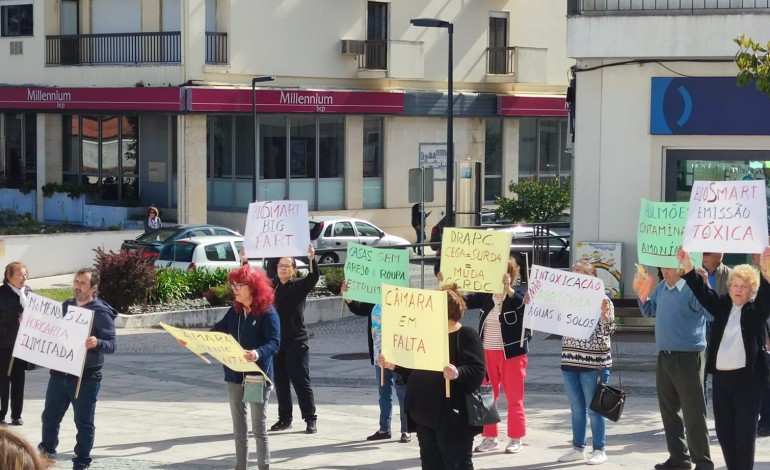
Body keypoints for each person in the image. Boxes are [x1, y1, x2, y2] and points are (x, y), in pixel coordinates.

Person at [678, 247, 770, 470]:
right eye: (735, 286)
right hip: (721, 380)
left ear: (751, 291)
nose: (738, 291)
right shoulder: (722, 305)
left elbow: (767, 296)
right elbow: (702, 292)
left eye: (744, 287)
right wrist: (688, 266)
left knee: (745, 433)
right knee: (724, 432)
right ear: (729, 288)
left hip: (748, 381)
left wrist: (766, 272)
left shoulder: (755, 311)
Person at [379, 284, 485, 469]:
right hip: (424, 410)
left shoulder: (466, 334)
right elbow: (416, 368)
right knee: (430, 462)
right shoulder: (428, 336)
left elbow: (477, 370)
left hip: (452, 414)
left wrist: (457, 372)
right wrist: (393, 364)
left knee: (456, 463)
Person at [439, 258, 529, 455]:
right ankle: (490, 437)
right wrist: (445, 284)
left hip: (512, 355)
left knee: (515, 398)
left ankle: (515, 438)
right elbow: (462, 301)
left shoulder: (516, 297)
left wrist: (509, 290)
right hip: (487, 354)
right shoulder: (486, 297)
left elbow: (524, 309)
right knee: (486, 396)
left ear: (510, 276)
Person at [636, 264, 714, 470]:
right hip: (664, 356)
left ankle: (703, 462)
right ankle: (679, 458)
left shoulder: (693, 288)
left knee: (693, 412)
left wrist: (705, 287)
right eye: (662, 269)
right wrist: (641, 291)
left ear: (682, 269)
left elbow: (712, 315)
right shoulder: (662, 287)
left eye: (669, 268)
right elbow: (648, 311)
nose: (665, 272)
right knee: (669, 411)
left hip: (689, 358)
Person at [38, 268, 117, 470]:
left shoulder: (101, 312)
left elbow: (111, 344)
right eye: (76, 281)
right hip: (58, 374)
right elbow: (51, 330)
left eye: (82, 283)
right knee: (49, 417)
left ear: (94, 288)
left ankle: (82, 460)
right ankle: (46, 453)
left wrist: (97, 342)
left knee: (83, 422)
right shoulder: (66, 306)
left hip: (86, 377)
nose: (77, 286)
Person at [211, 265, 280, 470]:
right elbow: (218, 331)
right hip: (233, 375)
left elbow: (274, 342)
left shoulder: (267, 312)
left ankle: (263, 467)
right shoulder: (235, 311)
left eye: (238, 285)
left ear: (252, 286)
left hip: (256, 377)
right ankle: (240, 467)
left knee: (259, 428)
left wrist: (257, 353)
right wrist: (194, 340)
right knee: (238, 428)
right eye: (233, 286)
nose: (235, 290)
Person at [555, 260, 615, 465]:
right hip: (570, 359)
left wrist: (605, 316)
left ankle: (600, 449)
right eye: (574, 274)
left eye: (580, 274)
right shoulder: (567, 300)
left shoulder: (603, 300)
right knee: (576, 408)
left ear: (591, 278)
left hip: (594, 363)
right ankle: (577, 448)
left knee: (595, 408)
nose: (576, 278)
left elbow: (609, 331)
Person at [340, 282, 409, 443]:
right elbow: (359, 308)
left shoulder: (402, 299)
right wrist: (349, 298)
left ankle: (406, 429)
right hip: (380, 355)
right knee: (384, 393)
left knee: (402, 392)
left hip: (399, 355)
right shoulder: (374, 300)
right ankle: (384, 428)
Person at [270, 245, 320, 434]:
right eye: (280, 265)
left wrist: (311, 259)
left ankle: (310, 418)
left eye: (286, 266)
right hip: (276, 342)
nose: (282, 268)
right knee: (281, 383)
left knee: (301, 381)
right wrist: (245, 261)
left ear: (293, 270)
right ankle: (284, 419)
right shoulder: (271, 288)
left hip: (296, 341)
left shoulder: (298, 286)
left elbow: (313, 277)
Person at [0, 262, 30, 426]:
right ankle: (1, 412)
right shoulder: (2, 294)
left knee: (19, 380)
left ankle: (16, 414)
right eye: (19, 274)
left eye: (25, 274)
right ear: (9, 277)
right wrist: (14, 320)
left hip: (22, 344)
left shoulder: (29, 293)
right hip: (4, 343)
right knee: (3, 379)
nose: (23, 278)